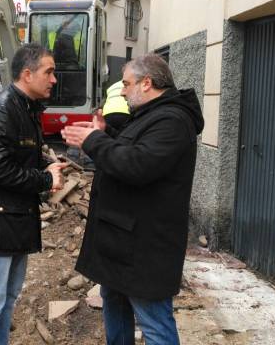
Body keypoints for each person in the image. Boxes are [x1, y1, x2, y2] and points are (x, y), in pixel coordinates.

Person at [60, 54, 204, 345]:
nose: (122, 91)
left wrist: (93, 141)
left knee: (154, 322)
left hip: (145, 248)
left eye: (126, 84)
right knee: (115, 304)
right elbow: (133, 145)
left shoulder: (173, 120)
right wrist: (106, 132)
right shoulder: (153, 115)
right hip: (123, 240)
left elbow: (138, 164)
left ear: (147, 83)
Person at [0, 43, 67, 344]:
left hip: (15, 219)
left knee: (6, 300)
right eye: (48, 72)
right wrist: (45, 180)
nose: (54, 79)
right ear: (26, 74)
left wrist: (48, 164)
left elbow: (18, 156)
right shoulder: (1, 110)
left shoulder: (26, 109)